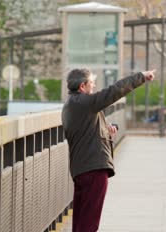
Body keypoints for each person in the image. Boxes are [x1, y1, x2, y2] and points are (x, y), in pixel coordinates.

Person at [62, 68, 155, 232]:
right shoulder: (86, 102)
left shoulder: (71, 105)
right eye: (92, 82)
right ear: (83, 86)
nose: (95, 86)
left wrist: (106, 128)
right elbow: (114, 91)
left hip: (81, 168)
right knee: (89, 222)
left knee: (81, 220)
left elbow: (83, 130)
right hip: (93, 169)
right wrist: (141, 77)